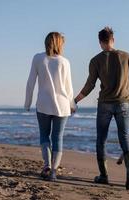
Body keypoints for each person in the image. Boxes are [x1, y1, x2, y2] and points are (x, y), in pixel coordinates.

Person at [74, 27, 129, 190]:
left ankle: (104, 175)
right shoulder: (126, 56)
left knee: (101, 139)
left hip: (105, 104)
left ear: (100, 42)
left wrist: (75, 100)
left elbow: (90, 85)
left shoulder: (95, 60)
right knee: (124, 137)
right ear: (113, 40)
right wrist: (125, 95)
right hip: (123, 102)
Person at [24, 32, 75, 181]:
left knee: (44, 135)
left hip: (43, 104)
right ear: (60, 44)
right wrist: (72, 104)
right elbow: (69, 87)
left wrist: (27, 103)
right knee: (57, 137)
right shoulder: (65, 62)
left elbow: (30, 83)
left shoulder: (38, 58)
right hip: (62, 105)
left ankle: (46, 165)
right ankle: (54, 171)